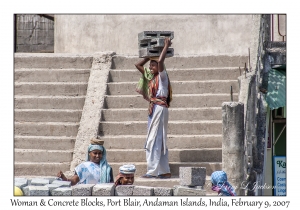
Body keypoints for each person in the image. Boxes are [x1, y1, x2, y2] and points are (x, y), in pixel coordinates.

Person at [135, 37, 172, 179]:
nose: (150, 68)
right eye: (150, 66)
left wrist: (164, 48)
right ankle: (164, 170)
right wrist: (149, 56)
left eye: (153, 66)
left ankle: (152, 171)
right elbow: (138, 65)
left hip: (159, 107)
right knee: (157, 139)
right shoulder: (151, 77)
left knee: (154, 140)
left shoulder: (163, 78)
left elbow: (161, 62)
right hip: (154, 108)